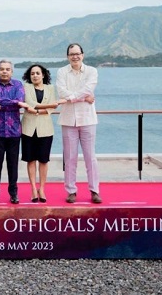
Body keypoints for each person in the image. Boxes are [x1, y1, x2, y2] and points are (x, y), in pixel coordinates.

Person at [56, 43, 101, 204]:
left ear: (82, 55)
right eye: (71, 54)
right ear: (67, 56)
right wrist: (83, 97)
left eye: (77, 53)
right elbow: (61, 91)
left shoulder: (92, 71)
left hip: (87, 119)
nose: (75, 56)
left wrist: (71, 98)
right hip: (68, 120)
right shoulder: (62, 72)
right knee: (70, 158)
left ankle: (95, 190)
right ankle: (71, 191)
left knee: (90, 157)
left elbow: (88, 89)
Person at [0, 60, 27, 204]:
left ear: (12, 71)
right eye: (2, 69)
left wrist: (15, 102)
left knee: (13, 165)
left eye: (7, 69)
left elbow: (20, 99)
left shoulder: (18, 85)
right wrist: (16, 102)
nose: (4, 71)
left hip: (14, 132)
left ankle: (13, 193)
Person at [21, 64, 62, 203]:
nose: (35, 76)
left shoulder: (50, 88)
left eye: (38, 73)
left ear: (43, 75)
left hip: (45, 129)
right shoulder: (26, 87)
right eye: (32, 73)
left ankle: (42, 188)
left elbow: (50, 110)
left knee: (44, 160)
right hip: (28, 128)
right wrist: (50, 105)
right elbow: (30, 103)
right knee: (31, 159)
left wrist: (38, 110)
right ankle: (33, 188)